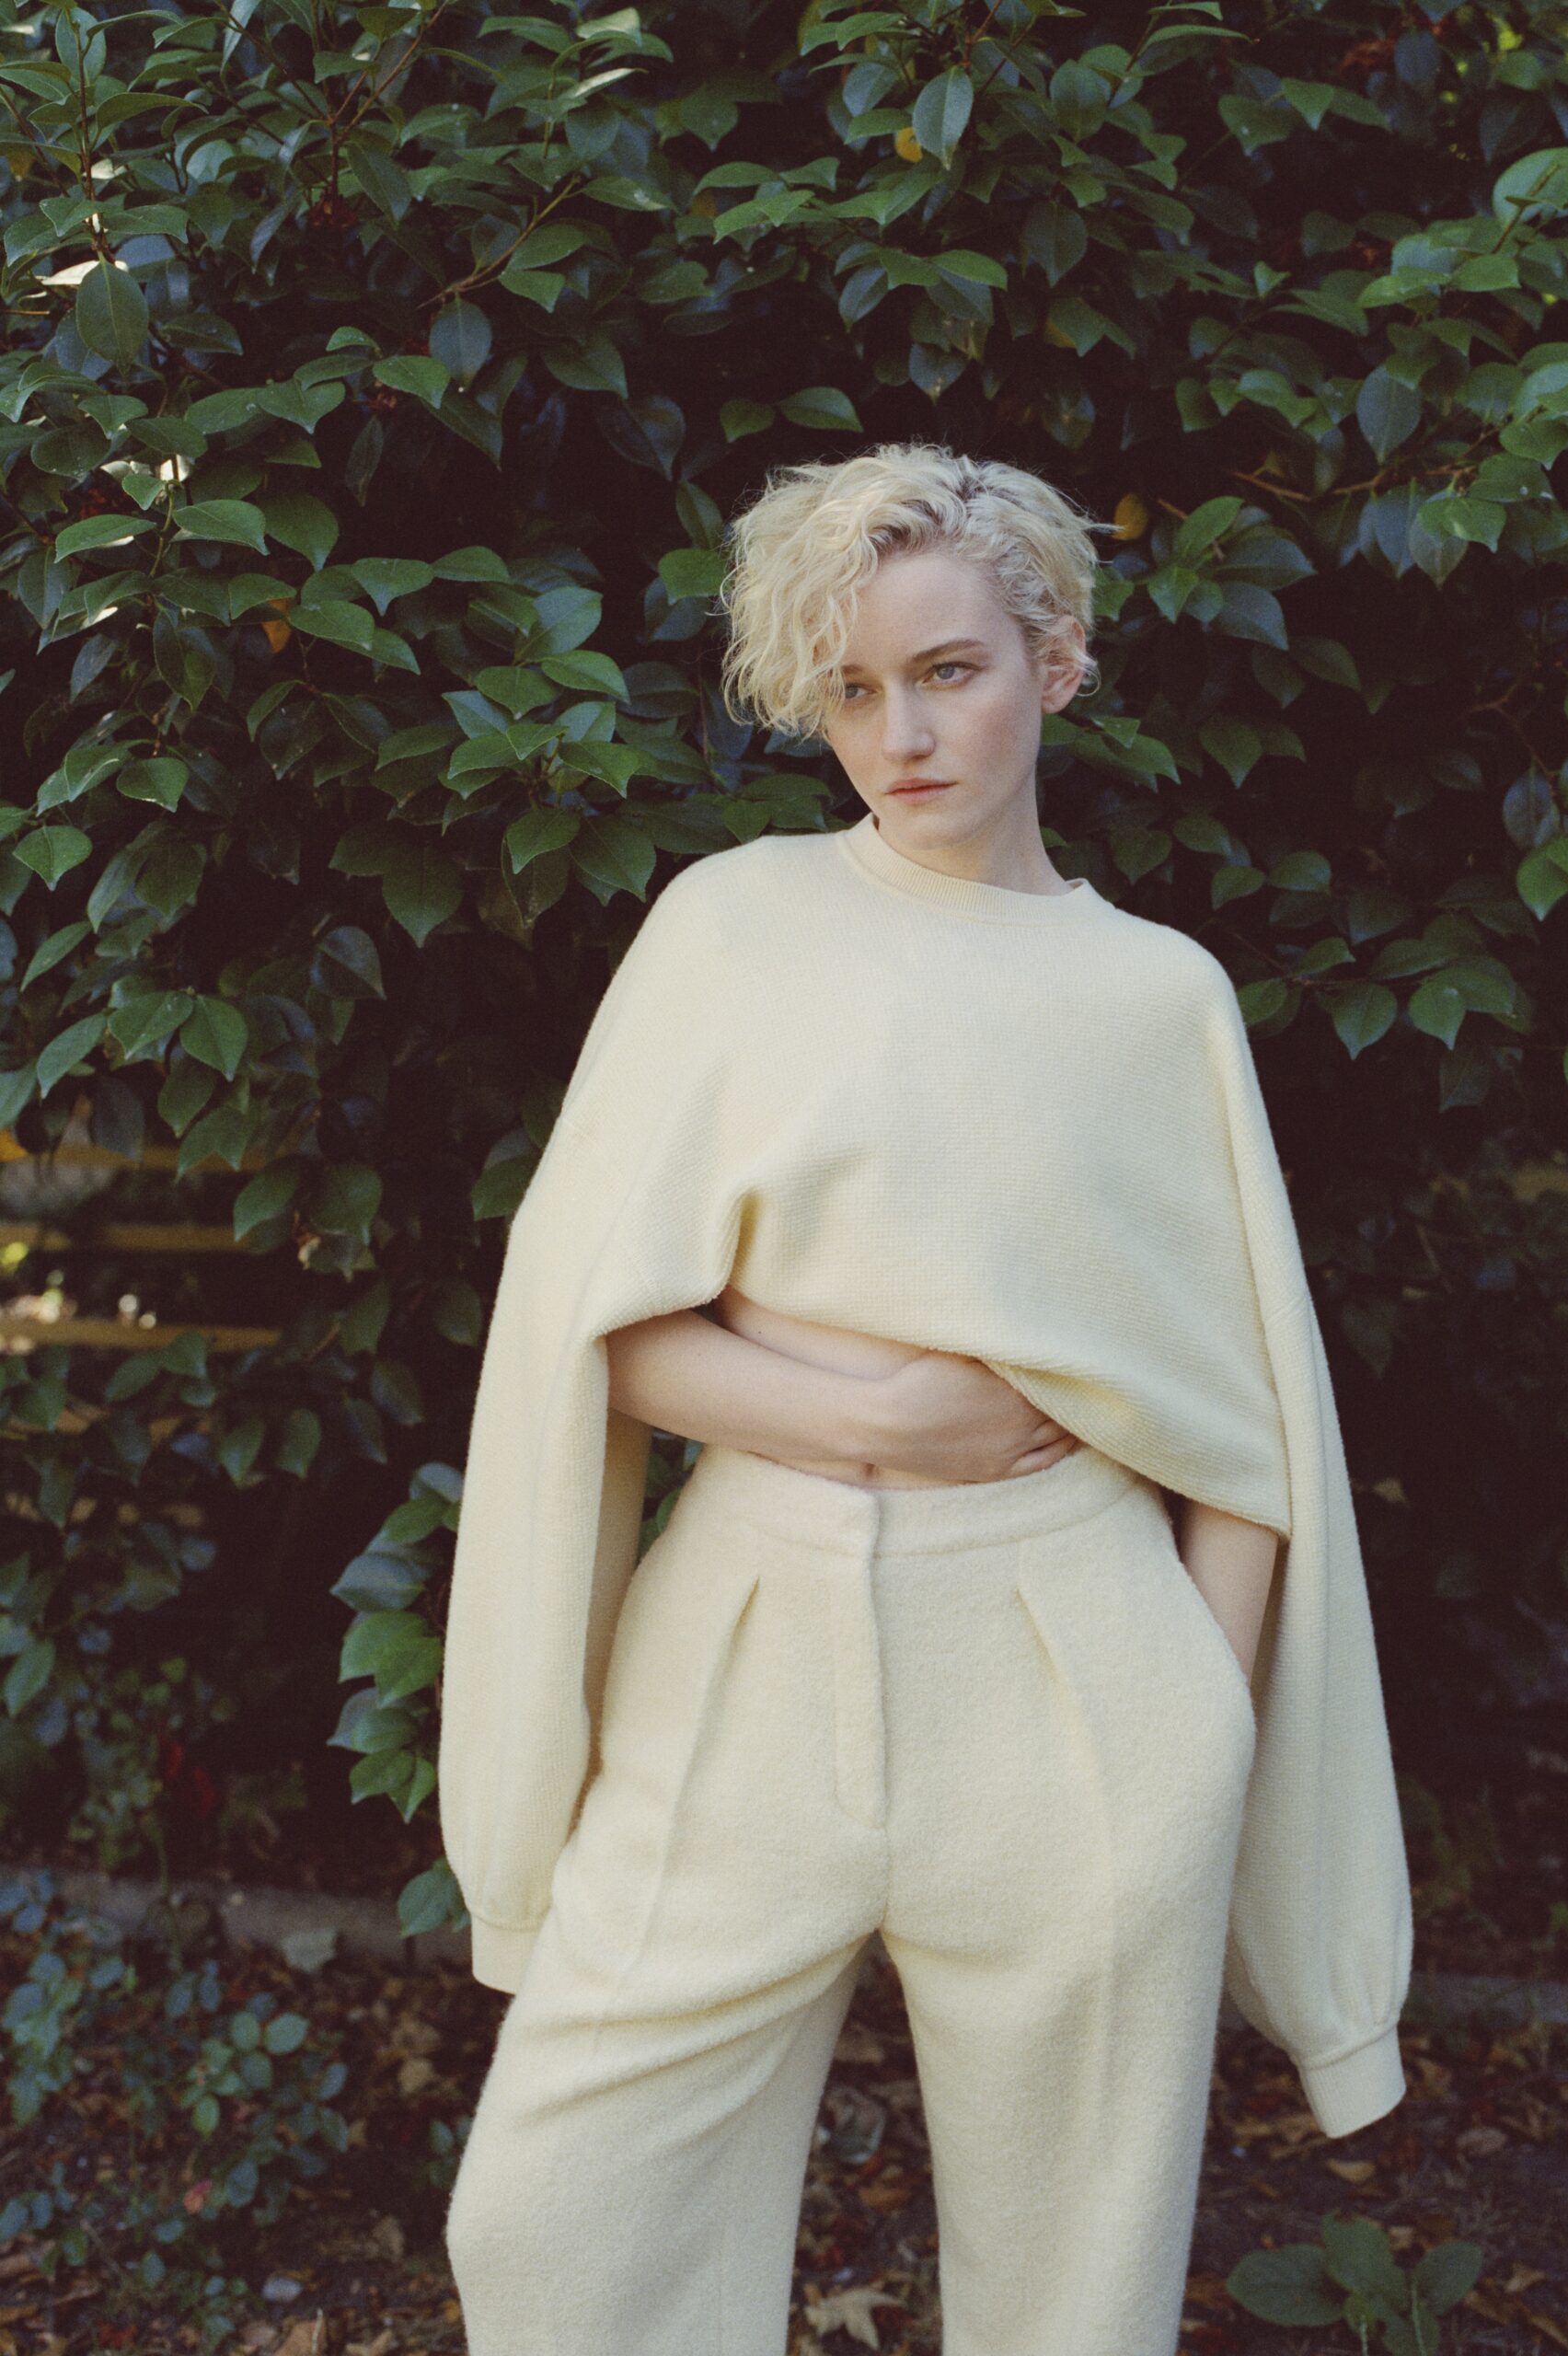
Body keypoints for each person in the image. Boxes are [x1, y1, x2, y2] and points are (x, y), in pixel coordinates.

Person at [438, 442, 1412, 2356]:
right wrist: (881, 1424)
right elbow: (593, 1331)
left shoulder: (1157, 997)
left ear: (1057, 660)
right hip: (743, 1646)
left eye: (949, 671)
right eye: (853, 687)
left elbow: (1250, 1428)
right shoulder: (730, 925)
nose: (899, 733)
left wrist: (1198, 1729)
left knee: (1072, 2301)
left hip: (1079, 1680)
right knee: (552, 2228)